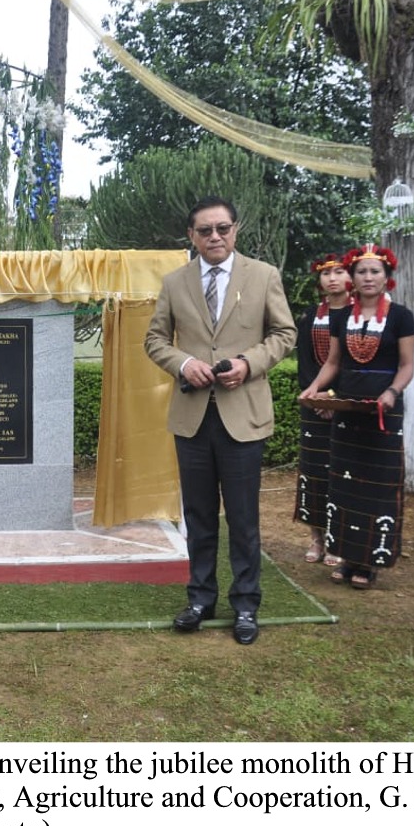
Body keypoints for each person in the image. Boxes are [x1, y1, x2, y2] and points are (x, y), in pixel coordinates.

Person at [145, 196, 296, 644]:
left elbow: (285, 334)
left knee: (244, 517)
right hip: (192, 416)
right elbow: (154, 339)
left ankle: (246, 604)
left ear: (235, 230)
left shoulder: (264, 275)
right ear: (191, 236)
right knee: (198, 514)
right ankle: (200, 598)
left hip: (243, 415)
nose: (215, 237)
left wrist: (249, 364)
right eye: (205, 230)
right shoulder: (175, 283)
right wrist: (182, 362)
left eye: (223, 228)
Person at [299, 244, 414, 590]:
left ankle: (369, 562)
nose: (367, 277)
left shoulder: (401, 316)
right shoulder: (342, 317)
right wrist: (314, 388)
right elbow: (334, 363)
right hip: (348, 409)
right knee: (345, 484)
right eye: (362, 272)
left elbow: (407, 365)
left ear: (387, 277)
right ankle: (348, 558)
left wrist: (391, 392)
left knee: (375, 487)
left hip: (383, 411)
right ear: (354, 277)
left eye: (374, 272)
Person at [294, 254, 351, 573]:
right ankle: (317, 537)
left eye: (339, 271)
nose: (332, 279)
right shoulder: (309, 316)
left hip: (349, 405)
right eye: (326, 273)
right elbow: (305, 361)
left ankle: (340, 538)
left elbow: (356, 364)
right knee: (314, 473)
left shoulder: (362, 315)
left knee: (343, 474)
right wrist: (316, 397)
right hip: (314, 403)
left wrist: (336, 398)